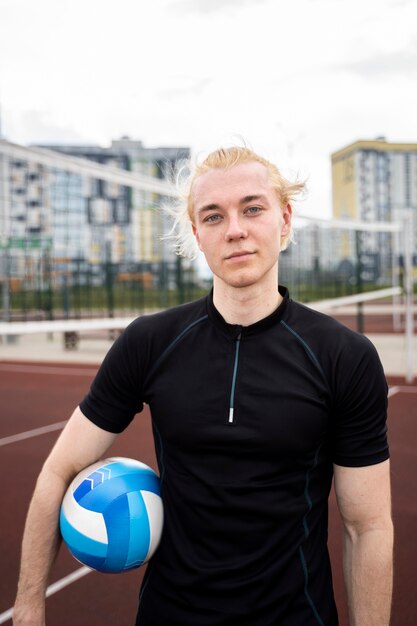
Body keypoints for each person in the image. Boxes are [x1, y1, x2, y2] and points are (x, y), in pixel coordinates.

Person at [13, 146, 393, 626]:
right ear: (197, 234)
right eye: (213, 216)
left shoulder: (345, 356)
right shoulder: (150, 342)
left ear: (285, 220)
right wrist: (28, 607)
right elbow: (58, 471)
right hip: (169, 615)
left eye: (253, 208)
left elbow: (368, 527)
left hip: (296, 615)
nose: (235, 228)